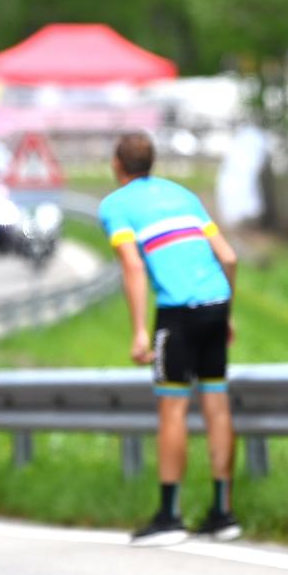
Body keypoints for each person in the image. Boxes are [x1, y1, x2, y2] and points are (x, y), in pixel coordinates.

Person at [98, 132, 240, 546]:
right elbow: (228, 256)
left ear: (117, 165)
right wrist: (227, 312)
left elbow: (132, 266)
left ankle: (170, 517)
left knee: (173, 411)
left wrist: (141, 330)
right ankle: (223, 514)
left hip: (176, 315)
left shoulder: (115, 205)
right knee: (217, 406)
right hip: (216, 303)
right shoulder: (183, 195)